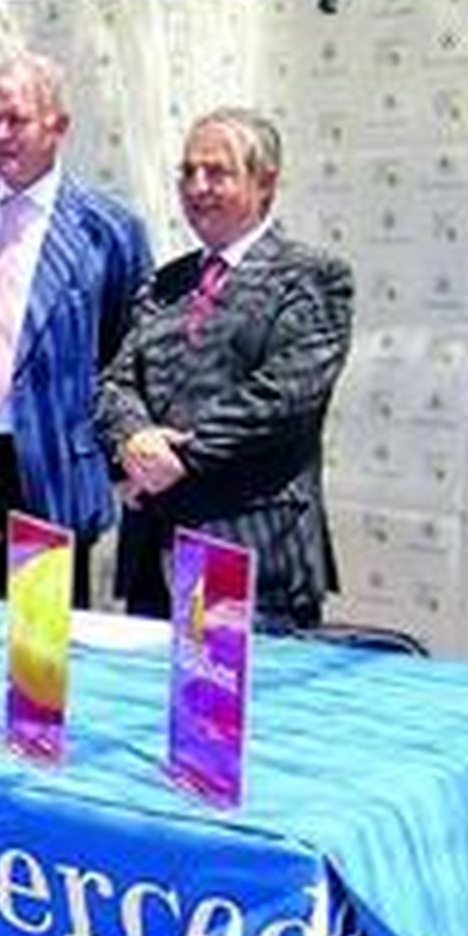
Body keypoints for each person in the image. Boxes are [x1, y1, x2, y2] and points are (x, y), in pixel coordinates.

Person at [96, 107, 353, 631]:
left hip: (254, 557)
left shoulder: (312, 278)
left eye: (217, 173)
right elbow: (116, 384)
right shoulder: (164, 283)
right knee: (148, 710)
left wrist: (176, 458)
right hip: (154, 551)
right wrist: (132, 440)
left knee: (240, 714)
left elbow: (284, 399)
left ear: (266, 183)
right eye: (188, 172)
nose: (198, 186)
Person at [0, 52, 152, 604]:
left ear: (58, 126)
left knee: (38, 669)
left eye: (15, 120)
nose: (0, 134)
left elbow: (122, 354)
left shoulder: (107, 231)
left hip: (46, 476)